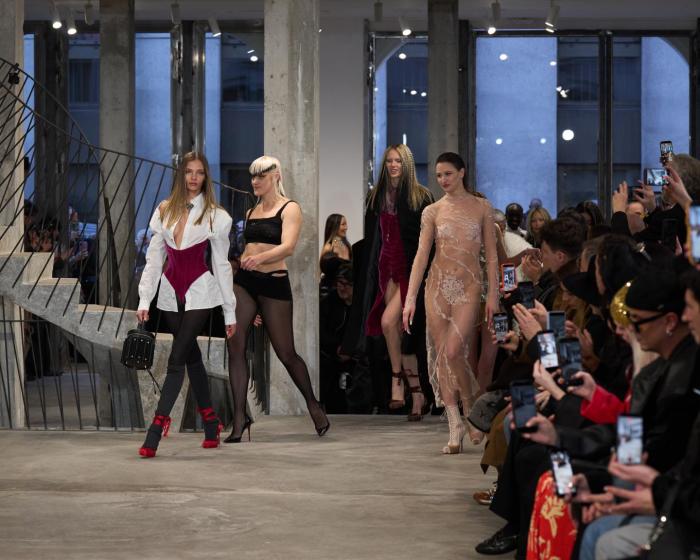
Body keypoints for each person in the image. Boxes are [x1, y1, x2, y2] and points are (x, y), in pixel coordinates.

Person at [136, 152, 236, 458]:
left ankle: (156, 428)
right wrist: (145, 297)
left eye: (200, 172)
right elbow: (154, 259)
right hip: (169, 292)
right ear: (181, 175)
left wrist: (229, 311)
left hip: (200, 291)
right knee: (191, 357)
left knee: (176, 359)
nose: (194, 177)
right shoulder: (164, 210)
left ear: (206, 177)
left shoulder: (216, 216)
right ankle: (211, 422)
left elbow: (222, 265)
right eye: (189, 171)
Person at [226, 155, 329, 442]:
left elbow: (288, 247)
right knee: (235, 345)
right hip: (245, 283)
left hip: (273, 283)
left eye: (261, 175)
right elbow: (248, 248)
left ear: (276, 176)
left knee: (286, 353)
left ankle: (313, 404)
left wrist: (259, 259)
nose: (255, 181)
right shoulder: (251, 211)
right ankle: (239, 418)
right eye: (253, 176)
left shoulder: (290, 208)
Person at [403, 152, 498, 453]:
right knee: (443, 355)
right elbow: (421, 256)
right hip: (437, 287)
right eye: (439, 175)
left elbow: (492, 256)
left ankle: (469, 406)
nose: (443, 180)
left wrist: (493, 294)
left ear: (462, 173)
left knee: (455, 350)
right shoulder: (432, 211)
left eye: (448, 174)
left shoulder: (482, 207)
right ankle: (455, 424)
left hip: (470, 287)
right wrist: (410, 298)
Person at [350, 144, 434, 419]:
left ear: (406, 163)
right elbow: (373, 239)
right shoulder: (377, 196)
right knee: (398, 332)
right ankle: (417, 396)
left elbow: (428, 241)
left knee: (389, 323)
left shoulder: (421, 196)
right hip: (386, 270)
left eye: (398, 160)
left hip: (410, 270)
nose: (393, 165)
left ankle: (397, 379)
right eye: (389, 161)